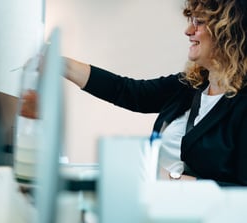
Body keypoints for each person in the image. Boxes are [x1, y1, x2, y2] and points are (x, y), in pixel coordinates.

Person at [63, 0, 247, 186]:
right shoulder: (189, 87)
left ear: (228, 31)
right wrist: (61, 64)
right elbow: (126, 90)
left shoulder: (242, 104)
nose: (188, 31)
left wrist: (170, 178)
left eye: (198, 22)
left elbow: (242, 191)